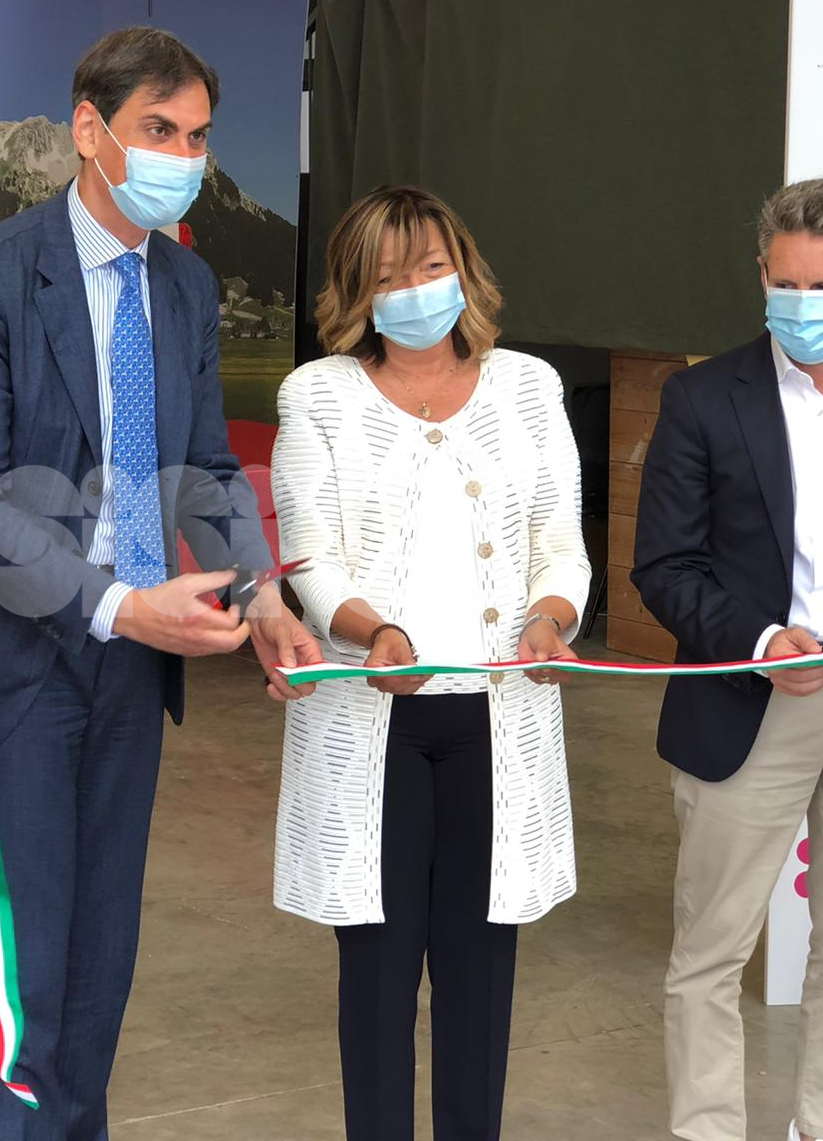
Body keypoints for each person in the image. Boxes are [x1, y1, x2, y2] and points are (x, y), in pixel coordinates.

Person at [0, 25, 321, 1140]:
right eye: (159, 130)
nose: (182, 157)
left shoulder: (184, 283)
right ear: (89, 131)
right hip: (18, 666)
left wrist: (260, 593)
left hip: (132, 674)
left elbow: (204, 468)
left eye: (197, 137)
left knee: (101, 962)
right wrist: (117, 604)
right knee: (26, 966)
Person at [270, 186, 591, 1141]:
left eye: (431, 267)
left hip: (499, 720)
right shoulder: (317, 395)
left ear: (464, 271)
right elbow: (310, 558)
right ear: (356, 293)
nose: (415, 290)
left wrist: (552, 616)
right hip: (374, 726)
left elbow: (560, 543)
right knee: (375, 981)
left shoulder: (529, 387)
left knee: (479, 978)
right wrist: (371, 630)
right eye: (388, 276)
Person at [632, 177, 823, 1141]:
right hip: (745, 701)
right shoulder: (700, 398)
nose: (801, 305)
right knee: (710, 951)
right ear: (761, 274)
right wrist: (759, 643)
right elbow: (663, 565)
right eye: (784, 283)